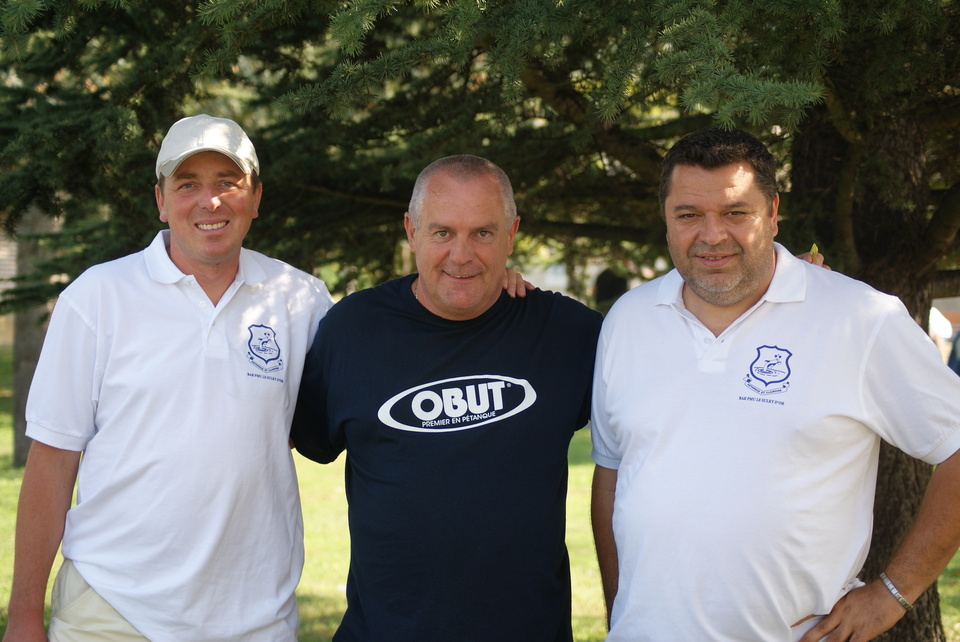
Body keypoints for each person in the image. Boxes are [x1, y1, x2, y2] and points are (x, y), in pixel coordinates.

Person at [590, 127, 960, 641]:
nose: (712, 234)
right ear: (666, 218)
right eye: (688, 215)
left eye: (735, 212)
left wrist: (891, 595)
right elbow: (610, 475)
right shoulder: (629, 319)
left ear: (772, 212)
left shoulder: (858, 318)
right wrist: (620, 614)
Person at [4, 115, 336, 641]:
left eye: (228, 182)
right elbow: (53, 460)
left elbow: (354, 396)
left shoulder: (301, 300)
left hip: (255, 619)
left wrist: (489, 289)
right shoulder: (97, 299)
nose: (210, 202)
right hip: (112, 612)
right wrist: (23, 616)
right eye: (188, 185)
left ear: (255, 196)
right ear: (161, 200)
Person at [290, 155, 603, 641]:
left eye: (483, 233)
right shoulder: (352, 332)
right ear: (411, 231)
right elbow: (271, 444)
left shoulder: (568, 334)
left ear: (512, 232)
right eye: (442, 233)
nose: (462, 255)